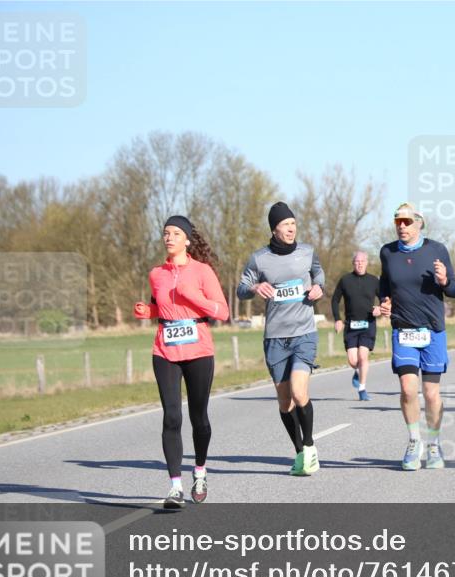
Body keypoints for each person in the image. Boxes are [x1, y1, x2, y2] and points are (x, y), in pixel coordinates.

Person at [134, 215, 229, 508]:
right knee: (171, 416)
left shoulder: (203, 272)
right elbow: (162, 307)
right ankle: (175, 487)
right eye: (166, 233)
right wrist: (148, 312)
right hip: (165, 351)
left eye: (176, 233)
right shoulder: (156, 274)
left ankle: (199, 471)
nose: (169, 237)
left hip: (199, 350)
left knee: (198, 418)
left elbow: (222, 312)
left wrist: (193, 297)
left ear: (187, 239)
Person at [238, 202, 325, 476]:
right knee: (285, 403)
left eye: (293, 224)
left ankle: (310, 448)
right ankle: (299, 451)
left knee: (300, 393)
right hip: (275, 337)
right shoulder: (259, 259)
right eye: (285, 225)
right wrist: (254, 286)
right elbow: (241, 289)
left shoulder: (307, 252)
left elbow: (318, 272)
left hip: (304, 333)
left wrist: (318, 287)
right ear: (274, 229)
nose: (291, 229)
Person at [379, 203, 455, 471]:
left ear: (419, 223)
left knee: (431, 393)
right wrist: (384, 301)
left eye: (406, 222)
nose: (401, 226)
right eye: (398, 222)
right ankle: (415, 442)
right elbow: (384, 285)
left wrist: (444, 280)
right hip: (403, 329)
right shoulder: (387, 252)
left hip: (432, 330)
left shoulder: (437, 250)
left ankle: (434, 444)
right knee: (407, 389)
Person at [331, 251, 381, 401]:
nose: (360, 264)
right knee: (353, 361)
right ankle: (358, 372)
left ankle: (362, 388)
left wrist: (380, 308)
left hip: (368, 323)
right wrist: (338, 319)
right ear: (353, 263)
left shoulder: (374, 281)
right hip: (351, 325)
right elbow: (335, 300)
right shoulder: (345, 280)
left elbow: (385, 298)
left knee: (363, 356)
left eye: (362, 261)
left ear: (367, 263)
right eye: (357, 261)